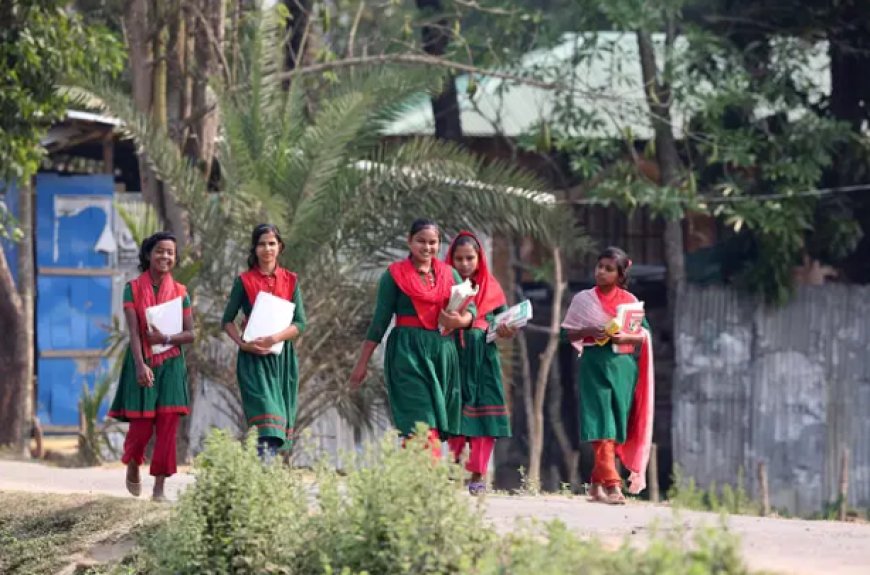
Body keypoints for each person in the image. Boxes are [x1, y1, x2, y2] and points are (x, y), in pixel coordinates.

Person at [349, 219, 473, 457]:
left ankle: (413, 480)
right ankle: (425, 480)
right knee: (421, 420)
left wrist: (459, 321)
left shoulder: (450, 274)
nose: (427, 247)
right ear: (410, 241)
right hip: (408, 354)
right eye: (421, 241)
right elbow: (379, 322)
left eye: (433, 242)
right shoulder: (394, 275)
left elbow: (472, 311)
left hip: (442, 354)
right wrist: (362, 363)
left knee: (433, 422)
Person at [561, 246, 654, 505]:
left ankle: (595, 484)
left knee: (616, 428)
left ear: (620, 274)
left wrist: (623, 336)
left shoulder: (630, 302)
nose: (601, 272)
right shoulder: (583, 300)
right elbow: (566, 334)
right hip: (593, 365)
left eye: (608, 269)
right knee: (601, 424)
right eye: (599, 266)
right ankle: (613, 486)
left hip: (623, 368)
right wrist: (589, 329)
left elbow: (643, 335)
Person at [109, 231, 194, 501]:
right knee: (142, 427)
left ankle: (159, 490)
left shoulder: (181, 293)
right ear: (148, 254)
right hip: (142, 360)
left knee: (168, 426)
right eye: (160, 251)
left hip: (171, 365)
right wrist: (140, 365)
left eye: (170, 252)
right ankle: (133, 462)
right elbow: (134, 333)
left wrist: (166, 338)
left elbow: (190, 334)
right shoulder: (132, 288)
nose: (165, 256)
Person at [222, 223, 306, 460]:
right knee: (266, 418)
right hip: (254, 360)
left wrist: (275, 338)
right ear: (254, 248)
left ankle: (265, 476)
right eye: (262, 244)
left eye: (272, 243)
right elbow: (227, 321)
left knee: (279, 422)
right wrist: (242, 343)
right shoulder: (244, 281)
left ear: (280, 247)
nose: (267, 248)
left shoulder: (291, 280)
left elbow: (300, 323)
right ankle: (264, 470)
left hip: (283, 360)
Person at [444, 231, 516, 495]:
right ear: (450, 259)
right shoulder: (443, 285)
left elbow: (504, 320)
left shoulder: (492, 287)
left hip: (484, 360)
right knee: (456, 414)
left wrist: (508, 329)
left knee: (486, 417)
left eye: (469, 258)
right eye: (458, 258)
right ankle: (452, 471)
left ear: (480, 259)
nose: (464, 264)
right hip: (454, 357)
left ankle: (478, 475)